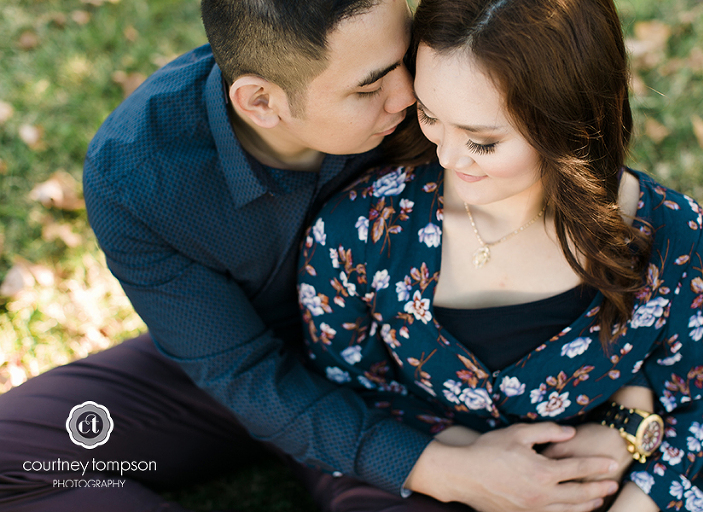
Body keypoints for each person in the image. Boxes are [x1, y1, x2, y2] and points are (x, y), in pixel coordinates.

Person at [0, 0, 623, 511]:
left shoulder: (429, 97)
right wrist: (445, 473)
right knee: (13, 456)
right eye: (370, 86)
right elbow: (238, 371)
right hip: (240, 369)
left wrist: (623, 418)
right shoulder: (138, 176)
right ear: (262, 103)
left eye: (402, 58)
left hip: (420, 382)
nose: (411, 96)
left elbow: (554, 171)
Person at [298, 0, 703, 510]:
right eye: (429, 115)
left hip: (607, 484)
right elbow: (345, 391)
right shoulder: (361, 231)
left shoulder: (669, 233)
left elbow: (699, 397)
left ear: (568, 122)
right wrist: (471, 466)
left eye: (483, 141)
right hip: (422, 476)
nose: (447, 157)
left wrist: (629, 452)